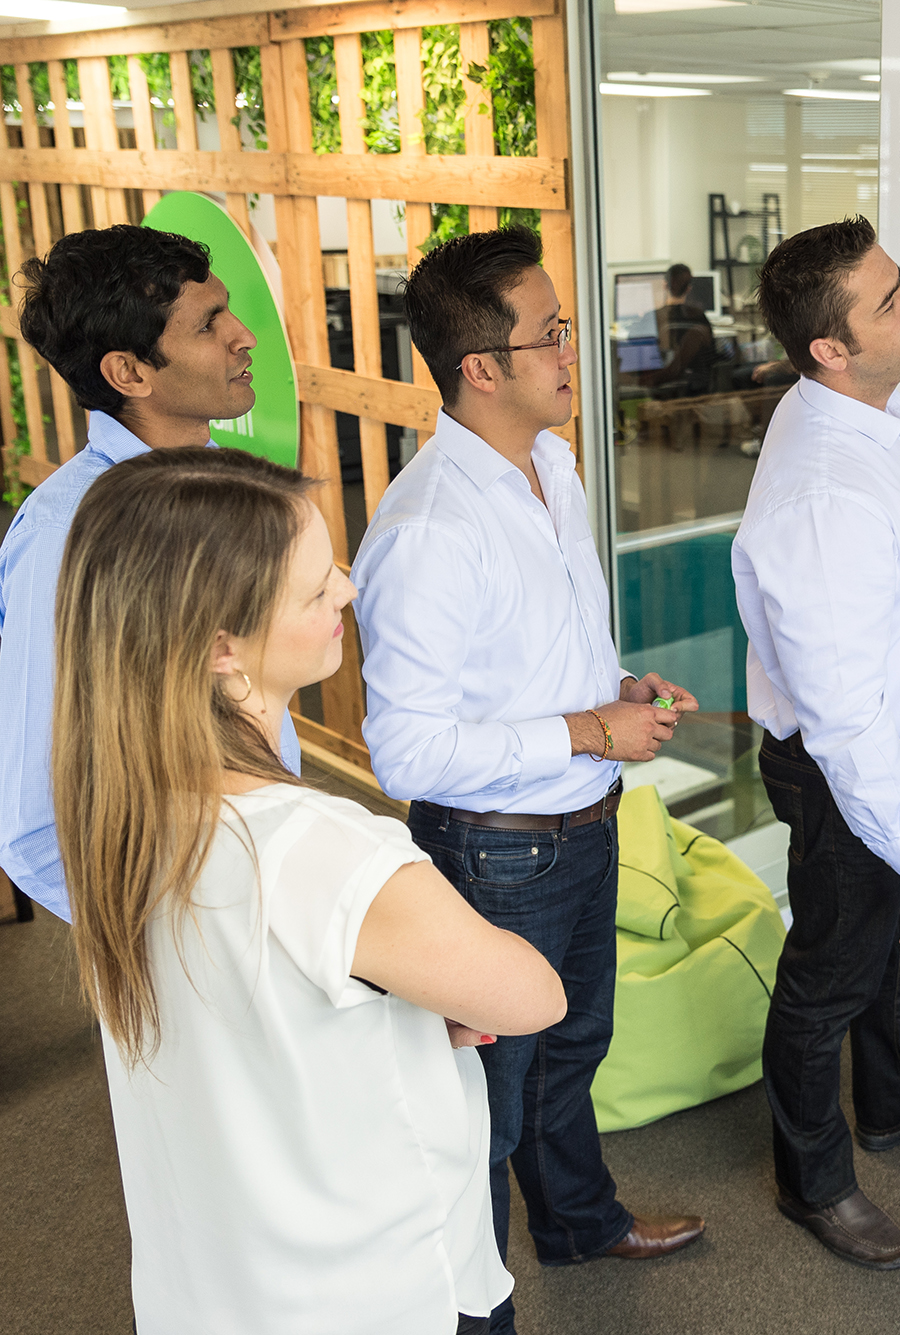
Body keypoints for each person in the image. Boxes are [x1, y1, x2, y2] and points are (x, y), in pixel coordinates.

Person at [54, 445, 566, 1334]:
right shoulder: (325, 848)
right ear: (221, 648)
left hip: (211, 1290)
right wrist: (428, 996)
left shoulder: (120, 817)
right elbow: (532, 995)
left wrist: (404, 1006)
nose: (348, 590)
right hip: (382, 1291)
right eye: (314, 586)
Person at [351, 226, 703, 1335]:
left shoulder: (552, 465)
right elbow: (406, 752)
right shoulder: (427, 529)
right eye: (550, 334)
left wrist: (615, 688)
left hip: (582, 823)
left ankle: (579, 1223)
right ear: (481, 368)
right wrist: (590, 729)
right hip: (498, 851)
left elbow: (541, 649)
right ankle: (474, 1314)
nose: (571, 350)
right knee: (484, 1106)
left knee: (571, 1047)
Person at [732, 215, 900, 1270]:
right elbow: (840, 716)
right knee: (829, 978)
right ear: (829, 348)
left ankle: (891, 1098)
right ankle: (815, 1182)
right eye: (890, 302)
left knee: (892, 953)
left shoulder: (858, 412)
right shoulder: (823, 493)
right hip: (855, 769)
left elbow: (877, 612)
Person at [0, 224, 302, 922]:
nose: (245, 337)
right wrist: (175, 938)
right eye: (208, 325)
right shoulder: (65, 534)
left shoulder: (234, 482)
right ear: (129, 373)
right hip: (185, 928)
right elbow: (32, 825)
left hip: (272, 886)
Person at [652, 262, 718, 395]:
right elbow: (712, 353)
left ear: (665, 285)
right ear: (689, 288)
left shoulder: (655, 317)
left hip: (664, 383)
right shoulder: (699, 317)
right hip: (697, 386)